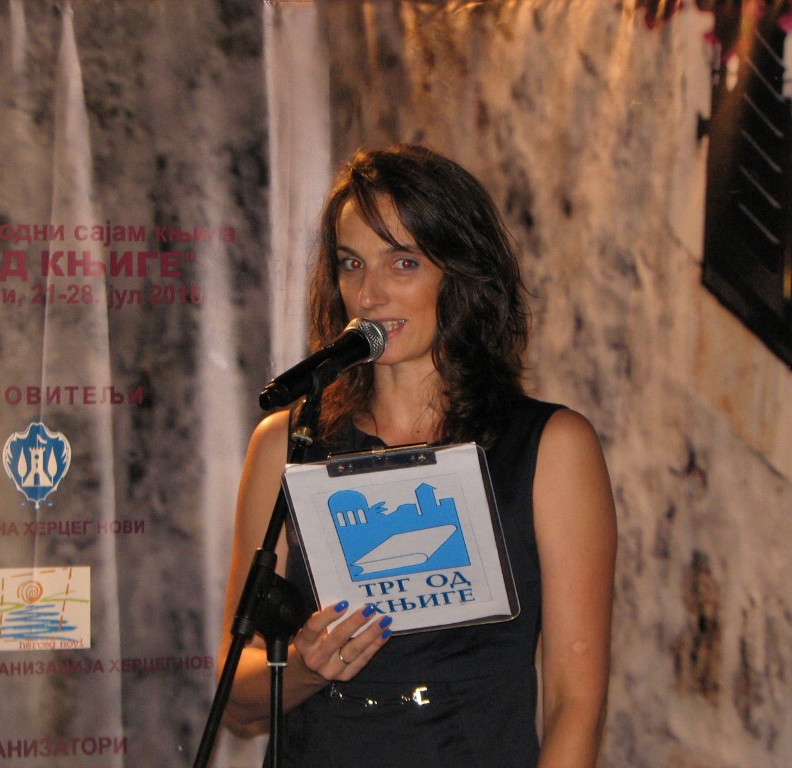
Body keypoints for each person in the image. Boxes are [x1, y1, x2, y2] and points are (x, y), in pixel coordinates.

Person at [218, 144, 617, 767]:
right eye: (351, 264)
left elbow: (576, 703)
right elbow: (235, 699)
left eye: (402, 263)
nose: (369, 293)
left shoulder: (551, 448)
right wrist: (303, 667)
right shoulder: (285, 444)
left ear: (460, 276)